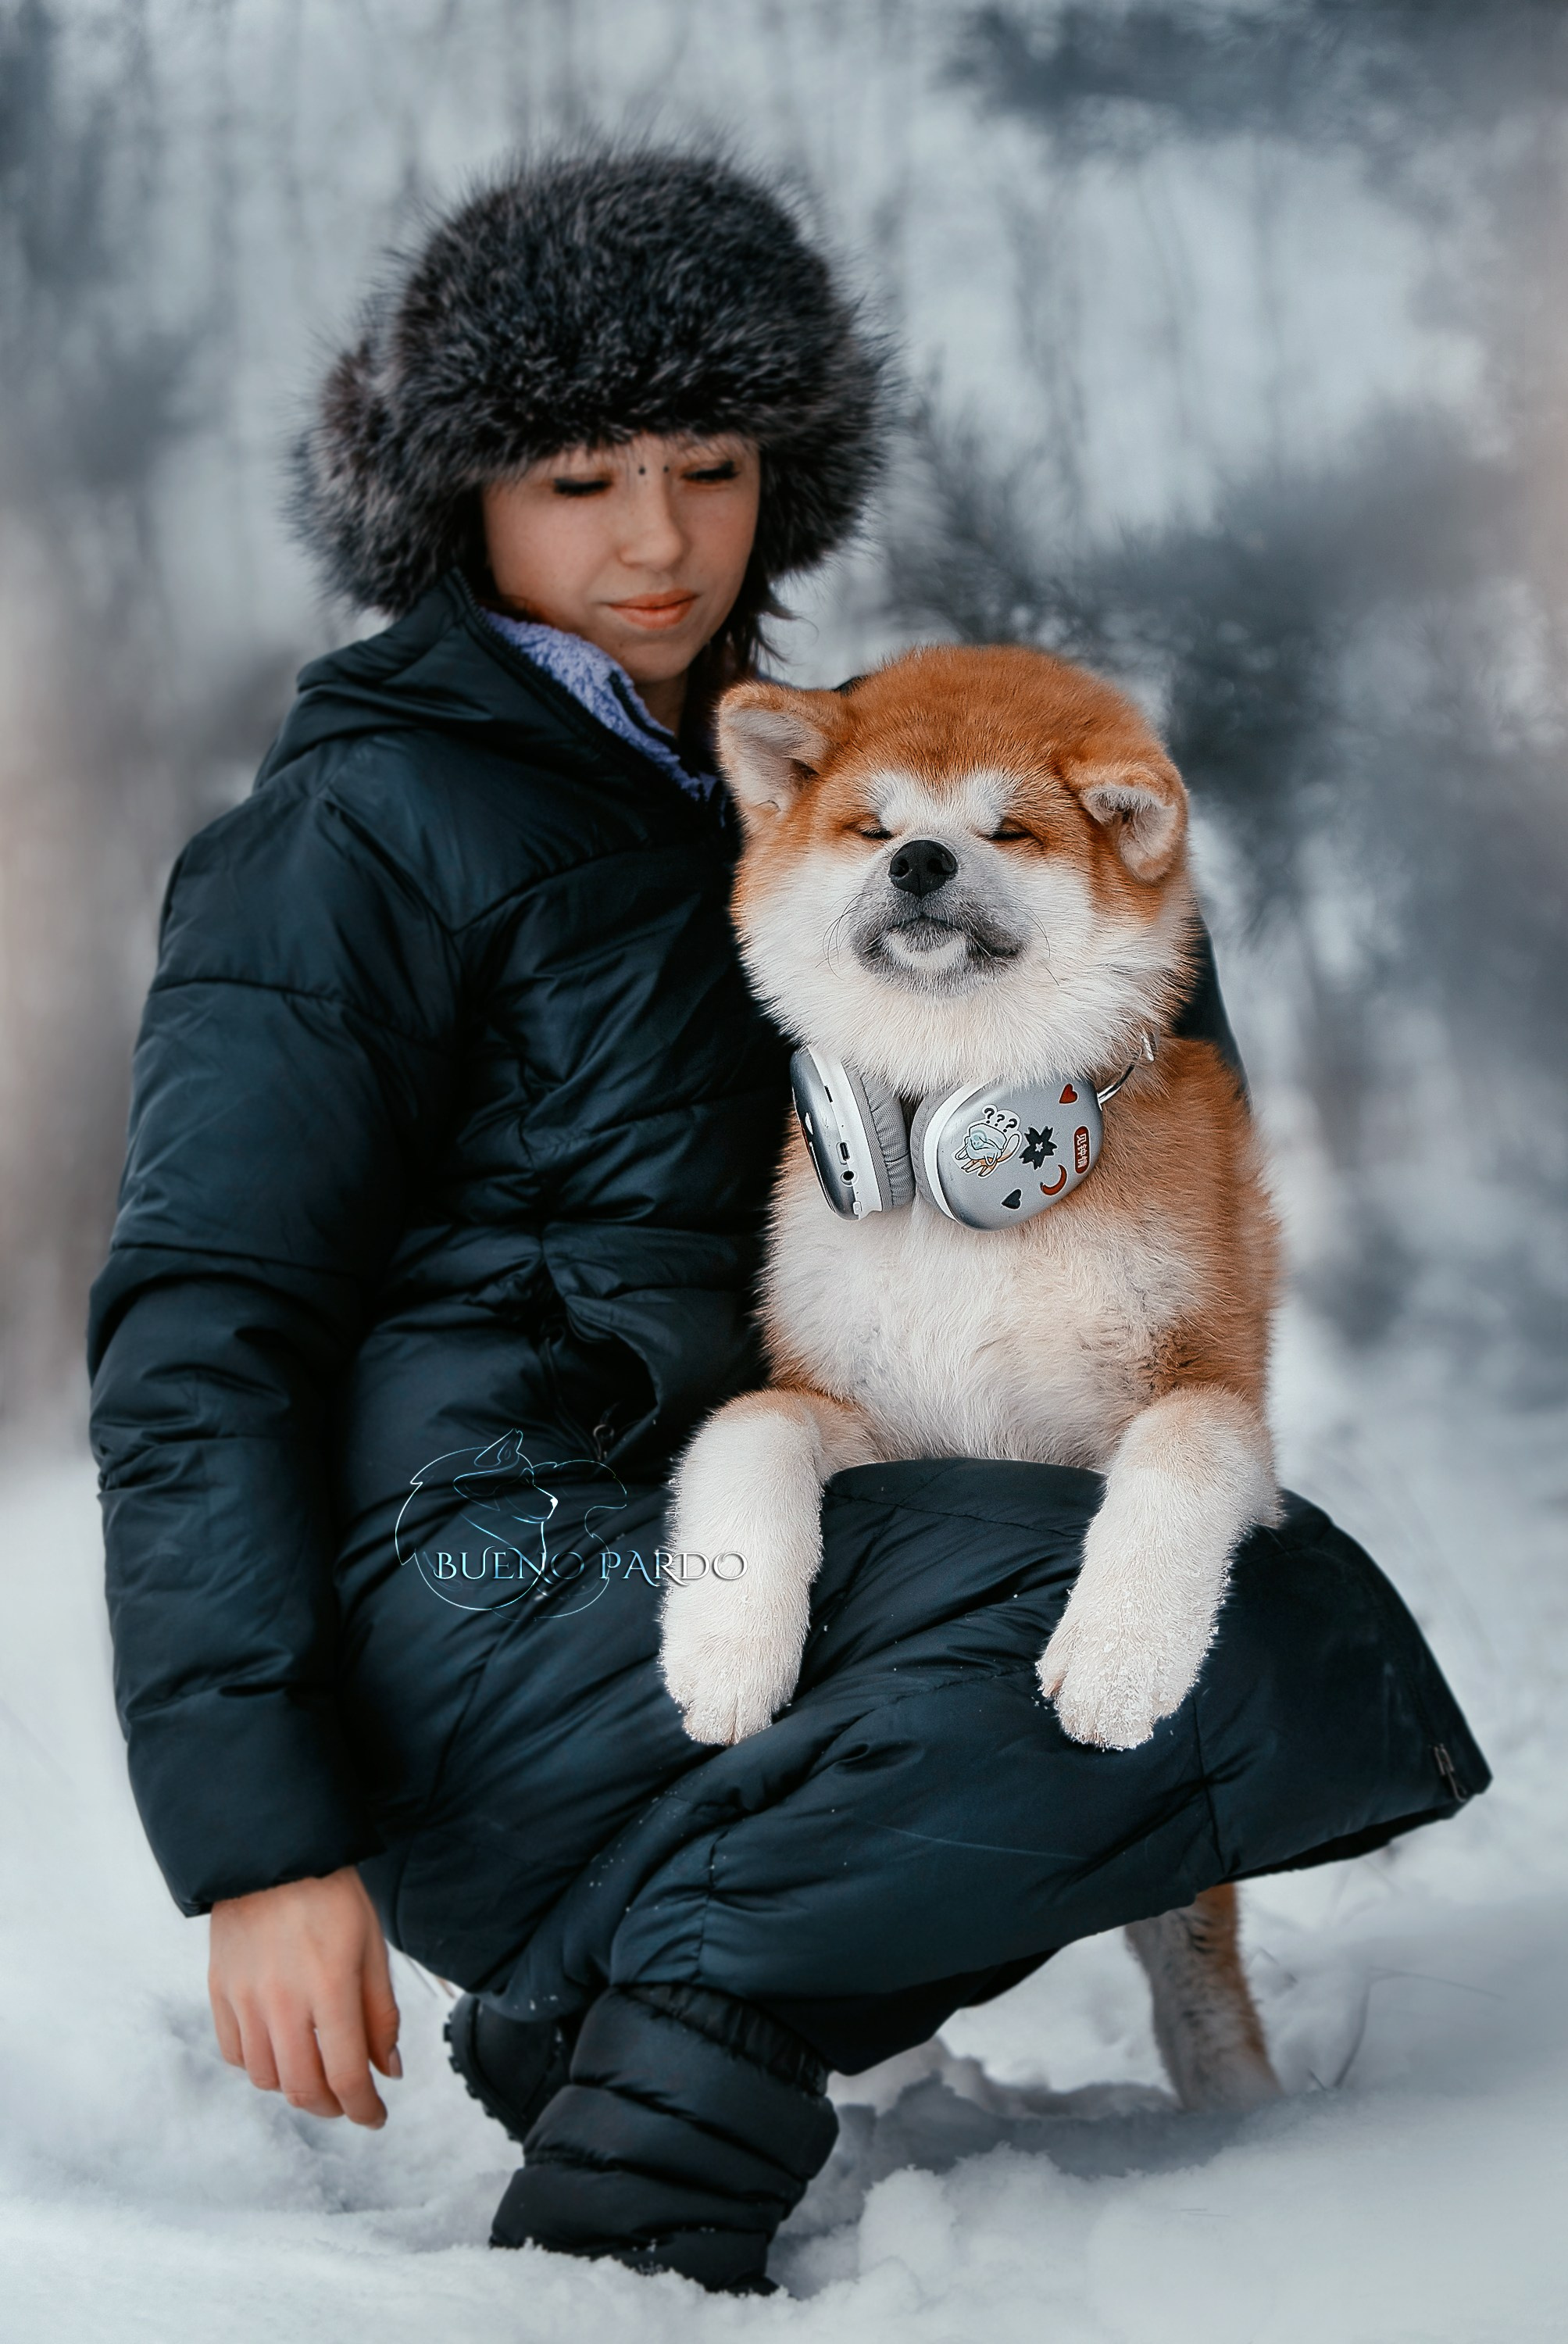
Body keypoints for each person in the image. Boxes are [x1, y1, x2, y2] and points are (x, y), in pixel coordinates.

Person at [88, 146, 1488, 2296]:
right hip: (482, 1579)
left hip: (741, 1560)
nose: (653, 539)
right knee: (1192, 1624)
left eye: (707, 463)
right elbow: (201, 1333)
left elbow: (1116, 1141)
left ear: (785, 471)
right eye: (575, 478)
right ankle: (630, 2192)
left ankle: (624, 2037)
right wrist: (259, 1845)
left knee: (1242, 1600)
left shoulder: (824, 783)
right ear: (456, 498)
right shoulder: (354, 830)